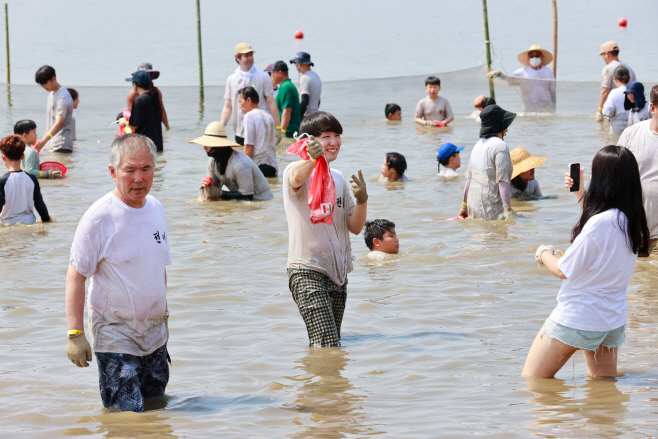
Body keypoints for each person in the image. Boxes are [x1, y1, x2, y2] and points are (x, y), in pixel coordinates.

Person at [522, 145, 649, 378]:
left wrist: (543, 253)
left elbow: (562, 270)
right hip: (611, 321)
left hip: (578, 318)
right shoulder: (632, 221)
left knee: (533, 383)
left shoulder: (600, 224)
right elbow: (601, 227)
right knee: (603, 390)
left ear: (604, 180)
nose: (591, 178)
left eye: (595, 173)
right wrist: (580, 194)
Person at [65, 134, 170, 412]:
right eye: (130, 169)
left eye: (145, 169)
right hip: (115, 334)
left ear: (154, 170)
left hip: (154, 333)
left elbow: (159, 266)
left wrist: (165, 314)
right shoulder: (98, 217)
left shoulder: (156, 208)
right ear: (113, 172)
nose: (139, 178)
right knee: (127, 416)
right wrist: (75, 333)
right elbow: (76, 275)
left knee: (156, 409)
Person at [283, 111, 368, 347]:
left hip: (338, 273)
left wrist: (362, 200)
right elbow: (296, 179)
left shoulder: (339, 178)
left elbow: (355, 227)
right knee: (327, 344)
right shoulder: (294, 170)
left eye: (337, 135)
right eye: (326, 136)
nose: (334, 142)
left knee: (330, 345)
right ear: (308, 141)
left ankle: (326, 383)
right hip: (307, 270)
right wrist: (310, 160)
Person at [617, 85, 658, 255]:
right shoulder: (630, 134)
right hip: (632, 232)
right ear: (653, 108)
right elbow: (615, 178)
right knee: (636, 278)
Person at [192, 122, 273, 201]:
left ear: (220, 145)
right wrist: (206, 189)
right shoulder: (212, 163)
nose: (204, 148)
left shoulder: (240, 165)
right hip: (239, 198)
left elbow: (248, 197)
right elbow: (214, 191)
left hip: (260, 200)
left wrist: (221, 194)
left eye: (207, 144)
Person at [460, 105, 515, 220]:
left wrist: (464, 206)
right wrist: (507, 209)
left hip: (472, 206)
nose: (507, 129)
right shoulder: (501, 146)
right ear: (499, 124)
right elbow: (503, 181)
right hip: (490, 209)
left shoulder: (477, 145)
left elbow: (468, 180)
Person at [221, 43, 282, 146]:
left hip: (261, 130)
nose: (250, 58)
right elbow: (227, 107)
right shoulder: (232, 79)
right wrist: (221, 129)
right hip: (240, 131)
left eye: (251, 55)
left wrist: (278, 127)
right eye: (246, 56)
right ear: (238, 58)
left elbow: (271, 102)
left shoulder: (263, 76)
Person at [487, 45, 556, 113]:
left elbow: (553, 91)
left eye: (537, 55)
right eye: (531, 56)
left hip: (547, 109)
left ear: (541, 57)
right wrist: (499, 74)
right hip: (530, 110)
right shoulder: (522, 71)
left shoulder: (548, 71)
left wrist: (554, 107)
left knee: (547, 124)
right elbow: (509, 78)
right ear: (528, 58)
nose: (534, 58)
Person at [0, 135, 50, 225]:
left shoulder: (2, 181)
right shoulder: (32, 179)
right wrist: (47, 221)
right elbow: (40, 205)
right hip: (29, 222)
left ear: (3, 157)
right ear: (23, 156)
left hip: (9, 224)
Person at [238, 86, 278, 177]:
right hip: (273, 167)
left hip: (258, 167)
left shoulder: (249, 116)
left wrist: (243, 170)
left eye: (240, 102)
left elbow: (248, 146)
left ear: (248, 100)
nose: (240, 106)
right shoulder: (269, 116)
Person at [34, 65, 74, 153]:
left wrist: (43, 141)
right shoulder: (51, 95)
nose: (43, 86)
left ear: (53, 78)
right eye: (41, 84)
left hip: (61, 145)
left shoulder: (62, 97)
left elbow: (59, 123)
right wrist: (43, 143)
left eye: (45, 82)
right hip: (52, 145)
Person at [597, 42, 636, 121]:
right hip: (630, 113)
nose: (603, 58)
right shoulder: (629, 68)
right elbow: (635, 90)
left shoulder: (607, 69)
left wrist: (600, 112)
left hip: (614, 112)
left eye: (603, 55)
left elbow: (605, 92)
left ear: (607, 54)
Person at [126, 71, 164, 152]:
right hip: (158, 144)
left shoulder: (138, 100)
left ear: (135, 84)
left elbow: (134, 125)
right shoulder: (154, 97)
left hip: (145, 146)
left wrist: (125, 122)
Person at [126, 63, 169, 131]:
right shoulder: (133, 95)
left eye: (148, 74)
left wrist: (167, 128)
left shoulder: (156, 92)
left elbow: (161, 110)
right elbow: (133, 115)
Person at [271, 61, 301, 141]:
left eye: (273, 73)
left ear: (280, 73)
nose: (272, 75)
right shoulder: (286, 86)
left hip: (288, 133)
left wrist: (282, 131)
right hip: (289, 132)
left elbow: (287, 110)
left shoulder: (286, 87)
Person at [602, 66, 631, 137]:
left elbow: (607, 111)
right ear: (629, 78)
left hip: (617, 127)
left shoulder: (614, 93)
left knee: (616, 146)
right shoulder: (634, 92)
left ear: (615, 79)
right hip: (632, 126)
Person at [290, 52, 322, 119]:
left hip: (307, 116)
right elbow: (318, 100)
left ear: (306, 64)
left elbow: (304, 101)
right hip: (316, 115)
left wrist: (299, 118)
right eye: (295, 64)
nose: (296, 66)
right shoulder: (316, 76)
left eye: (298, 64)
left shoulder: (304, 78)